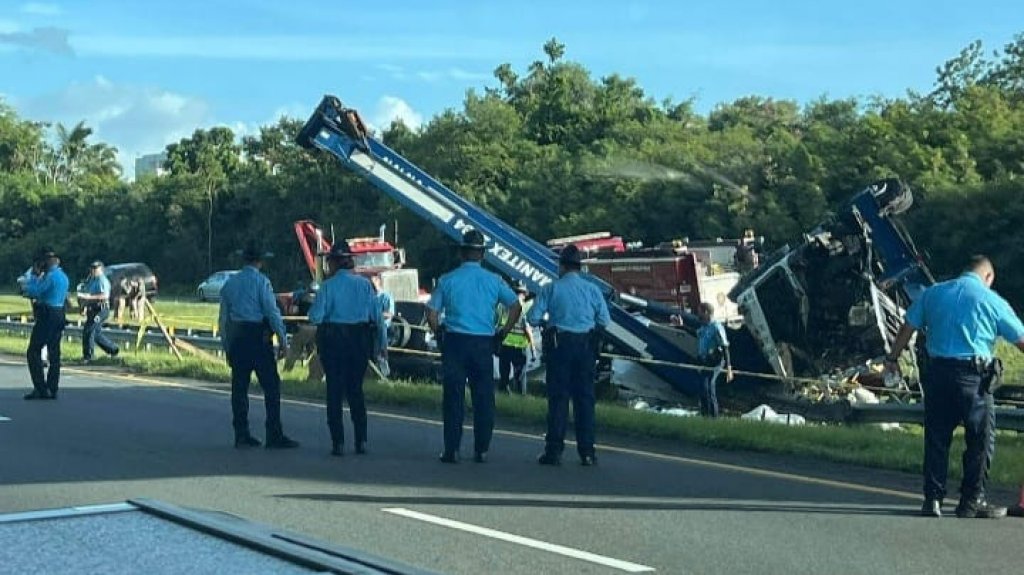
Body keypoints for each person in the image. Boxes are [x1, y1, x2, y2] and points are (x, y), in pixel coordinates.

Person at [886, 255, 1024, 519]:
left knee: (936, 438)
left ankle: (932, 500)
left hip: (937, 374)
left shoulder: (933, 293)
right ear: (988, 277)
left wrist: (892, 359)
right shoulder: (992, 300)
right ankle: (971, 502)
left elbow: (907, 327)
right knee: (979, 440)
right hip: (974, 378)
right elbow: (1020, 339)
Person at [426, 229, 521, 463]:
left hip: (456, 341)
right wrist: (502, 332)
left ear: (461, 252)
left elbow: (431, 311)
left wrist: (439, 332)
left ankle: (452, 449)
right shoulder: (494, 281)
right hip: (483, 343)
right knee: (483, 398)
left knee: (453, 397)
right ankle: (481, 448)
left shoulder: (448, 280)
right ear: (482, 255)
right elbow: (515, 306)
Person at [527, 245, 610, 466]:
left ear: (562, 266)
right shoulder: (592, 290)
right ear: (580, 267)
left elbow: (533, 318)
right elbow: (604, 320)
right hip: (585, 347)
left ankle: (553, 451)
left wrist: (549, 322)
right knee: (585, 400)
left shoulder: (551, 288)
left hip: (560, 345)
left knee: (558, 399)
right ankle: (588, 453)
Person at [308, 242, 388, 456]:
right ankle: (361, 440)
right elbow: (377, 318)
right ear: (350, 261)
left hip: (333, 341)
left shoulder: (327, 287)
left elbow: (315, 317)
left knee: (334, 391)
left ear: (333, 263)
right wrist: (381, 345)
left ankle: (338, 442)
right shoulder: (365, 286)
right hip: (358, 341)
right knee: (356, 391)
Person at [218, 243, 299, 450]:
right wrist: (283, 339)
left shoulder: (229, 284)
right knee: (271, 387)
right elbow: (272, 313)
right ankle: (274, 433)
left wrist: (227, 345)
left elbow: (223, 319)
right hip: (258, 338)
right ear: (260, 261)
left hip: (238, 338)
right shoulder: (262, 282)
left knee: (239, 388)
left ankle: (241, 433)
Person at [22, 249, 69, 400]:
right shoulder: (63, 276)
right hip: (59, 312)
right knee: (54, 352)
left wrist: (32, 280)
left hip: (47, 314)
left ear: (49, 261)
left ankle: (40, 388)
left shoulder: (50, 277)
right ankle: (52, 387)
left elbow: (35, 291)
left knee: (34, 350)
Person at [497, 280, 537, 395]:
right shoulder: (527, 307)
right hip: (520, 347)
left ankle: (503, 396)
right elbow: (528, 329)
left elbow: (497, 324)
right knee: (519, 377)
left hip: (505, 345)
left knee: (504, 375)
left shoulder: (502, 306)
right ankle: (520, 397)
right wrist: (533, 349)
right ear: (525, 293)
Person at [694, 302, 733, 418]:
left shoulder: (716, 327)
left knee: (709, 387)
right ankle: (705, 415)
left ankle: (714, 418)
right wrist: (681, 326)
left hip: (715, 361)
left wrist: (729, 368)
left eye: (699, 312)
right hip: (705, 361)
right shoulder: (703, 327)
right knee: (702, 387)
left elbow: (725, 346)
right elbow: (695, 334)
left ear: (706, 312)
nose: (698, 314)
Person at [79, 261, 120, 363]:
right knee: (96, 333)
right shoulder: (92, 280)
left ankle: (89, 356)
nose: (93, 270)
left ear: (101, 269)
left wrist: (89, 297)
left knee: (89, 330)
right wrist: (84, 305)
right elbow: (86, 293)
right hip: (92, 308)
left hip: (101, 309)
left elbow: (104, 296)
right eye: (92, 268)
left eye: (95, 268)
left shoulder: (102, 280)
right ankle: (113, 349)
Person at [371, 274, 395, 377]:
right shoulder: (370, 298)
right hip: (370, 325)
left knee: (381, 329)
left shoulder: (386, 296)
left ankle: (383, 358)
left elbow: (390, 313)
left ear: (378, 282)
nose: (371, 286)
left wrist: (378, 315)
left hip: (383, 326)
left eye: (373, 283)